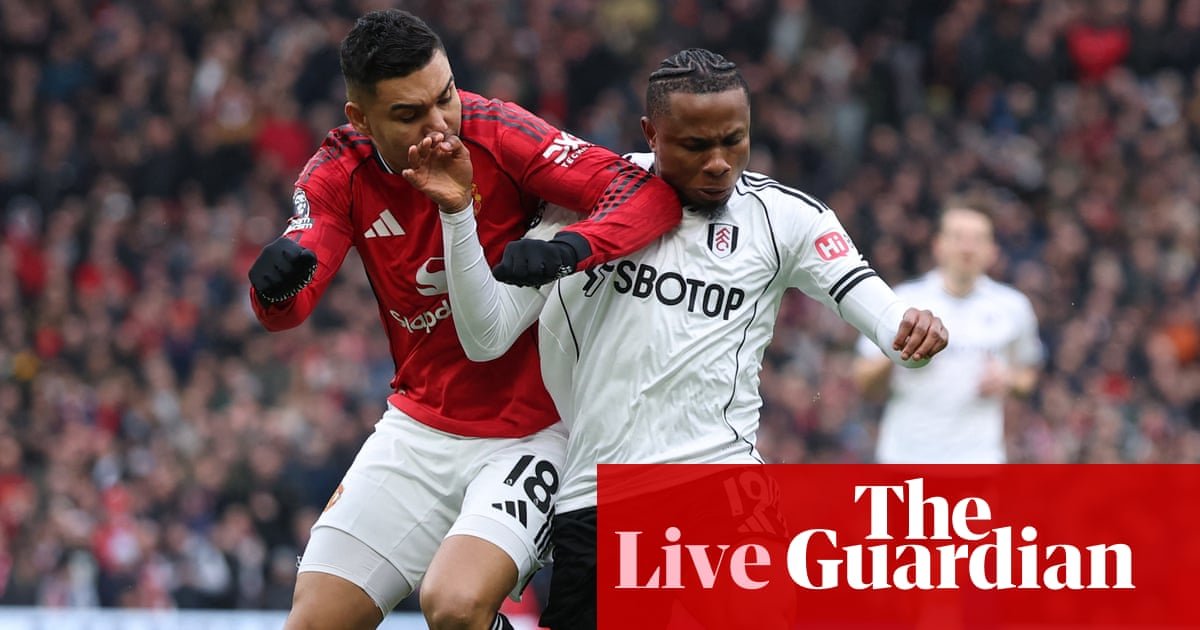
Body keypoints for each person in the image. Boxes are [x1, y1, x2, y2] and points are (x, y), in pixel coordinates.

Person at [419, 48, 949, 629]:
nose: (719, 163)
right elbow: (487, 338)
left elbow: (881, 314)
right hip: (600, 495)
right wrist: (457, 215)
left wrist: (910, 331)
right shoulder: (586, 196)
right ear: (651, 133)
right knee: (455, 613)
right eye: (696, 146)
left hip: (720, 481)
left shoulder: (785, 217)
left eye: (734, 140)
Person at [245, 10, 683, 630]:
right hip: (419, 428)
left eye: (445, 96)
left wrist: (570, 249)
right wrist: (274, 290)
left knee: (453, 606)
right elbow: (288, 306)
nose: (439, 124)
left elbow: (647, 194)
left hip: (537, 432)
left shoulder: (497, 131)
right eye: (409, 114)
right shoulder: (338, 172)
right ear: (361, 120)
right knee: (314, 624)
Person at [853, 200, 1042, 463]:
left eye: (977, 239)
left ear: (993, 251)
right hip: (906, 458)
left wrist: (1007, 379)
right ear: (938, 245)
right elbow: (862, 380)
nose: (967, 247)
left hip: (978, 460)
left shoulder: (1013, 307)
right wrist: (898, 350)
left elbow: (1028, 376)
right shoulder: (902, 302)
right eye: (958, 237)